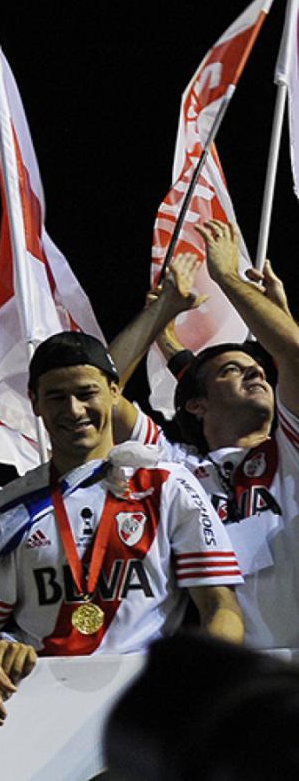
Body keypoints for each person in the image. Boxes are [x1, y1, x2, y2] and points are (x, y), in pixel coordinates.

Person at [0, 332, 244, 727]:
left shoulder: (167, 484)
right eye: (55, 397)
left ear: (114, 391)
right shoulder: (10, 509)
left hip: (150, 710)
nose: (74, 409)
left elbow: (220, 606)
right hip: (41, 715)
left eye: (87, 393)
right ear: (34, 401)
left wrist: (203, 680)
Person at [112, 219, 299, 649]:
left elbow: (291, 352)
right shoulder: (176, 467)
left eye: (259, 369)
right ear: (196, 404)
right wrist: (162, 311)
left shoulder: (289, 446)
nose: (256, 371)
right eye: (233, 370)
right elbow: (100, 393)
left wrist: (230, 279)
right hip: (217, 681)